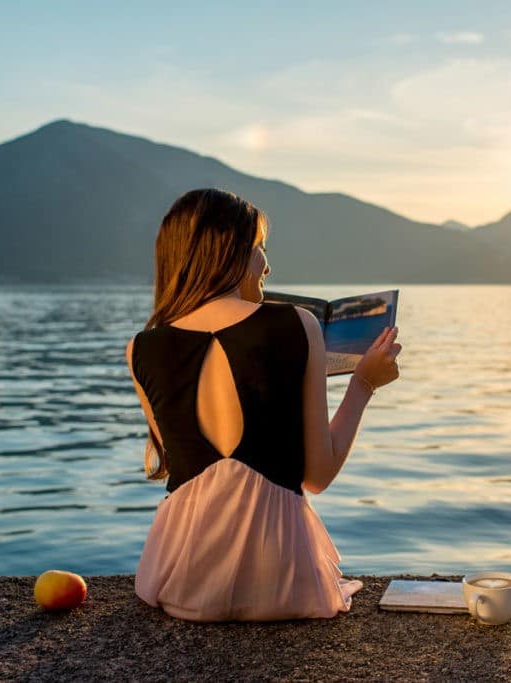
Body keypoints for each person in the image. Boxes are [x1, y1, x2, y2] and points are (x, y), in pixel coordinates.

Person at [126, 188, 402, 621]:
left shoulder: (141, 348)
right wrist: (363, 383)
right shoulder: (297, 323)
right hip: (283, 589)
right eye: (259, 249)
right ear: (230, 251)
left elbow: (182, 469)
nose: (267, 266)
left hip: (177, 584)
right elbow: (317, 476)